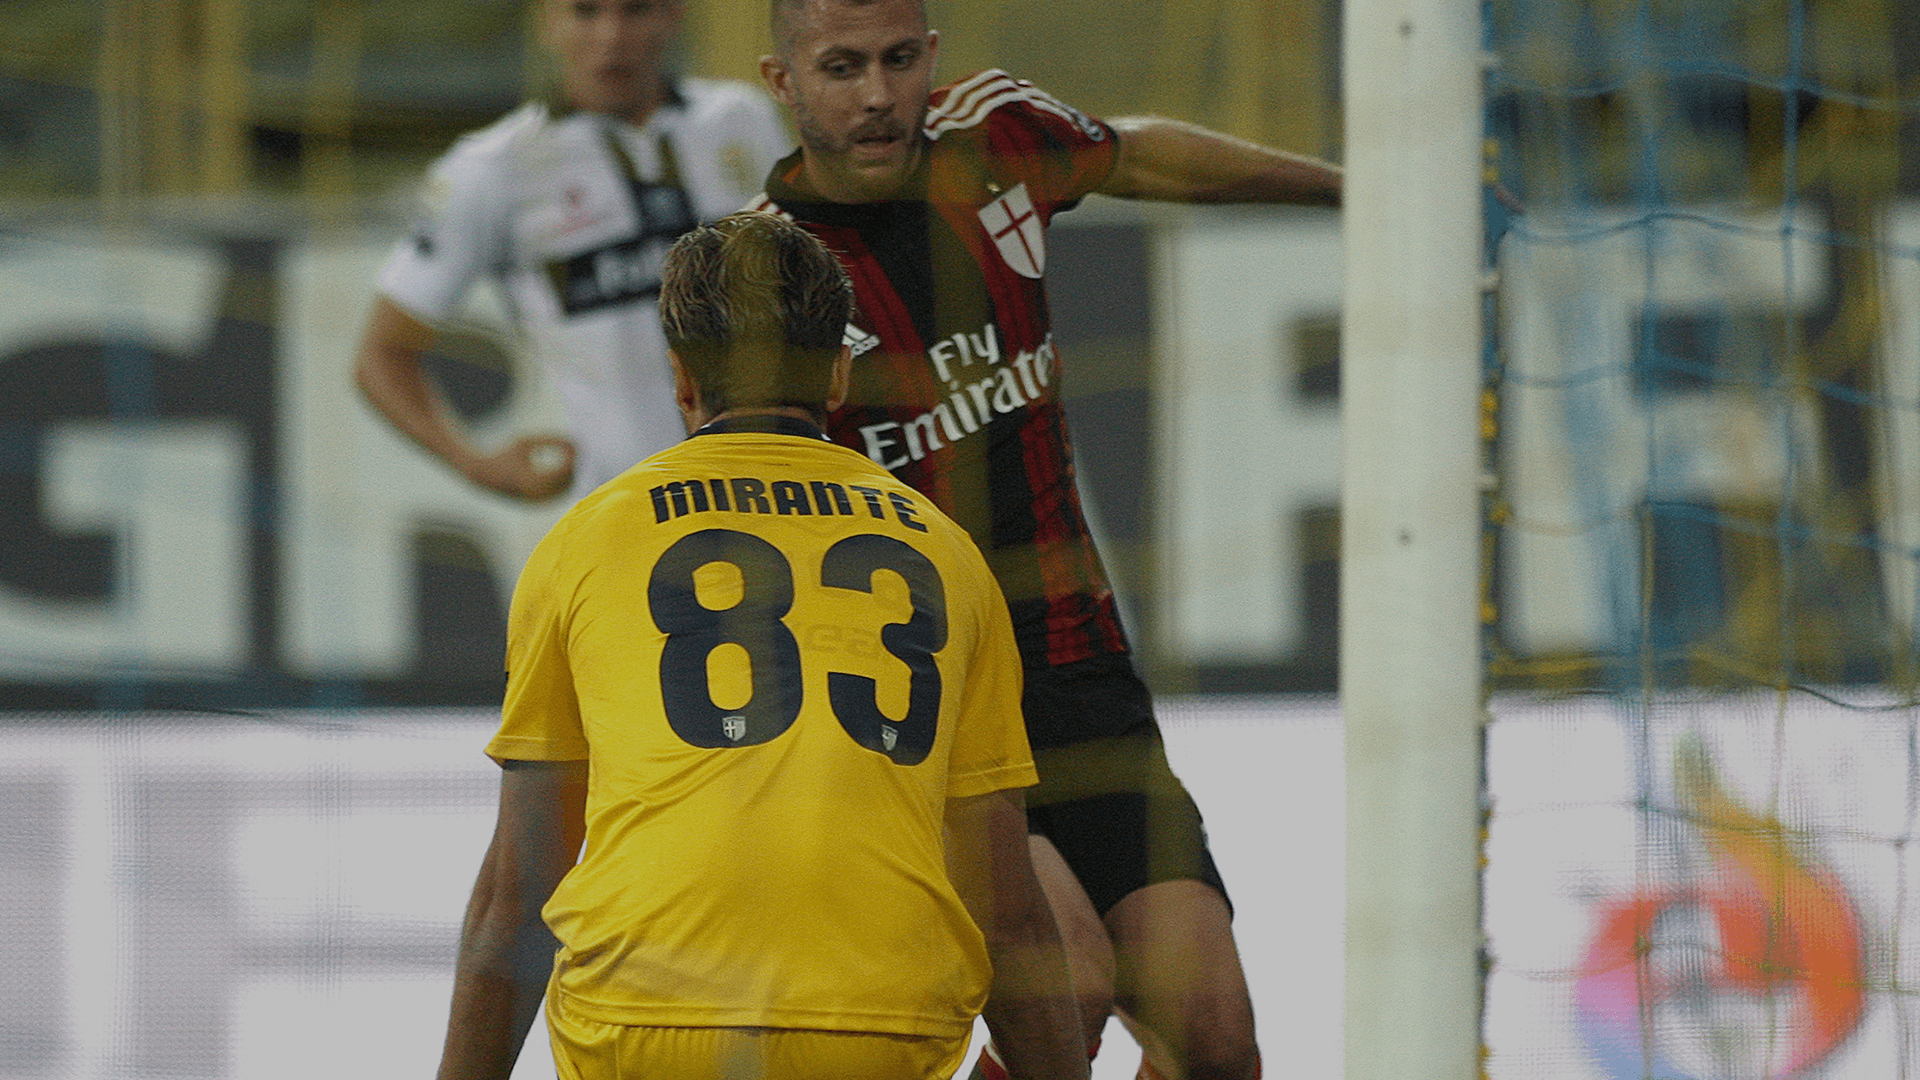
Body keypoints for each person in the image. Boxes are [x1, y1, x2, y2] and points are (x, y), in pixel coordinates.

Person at [750, 2, 1344, 1078]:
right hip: (924, 706)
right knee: (1066, 991)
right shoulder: (773, 277)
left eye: (898, 60)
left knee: (1217, 1044)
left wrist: (1355, 191)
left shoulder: (997, 138)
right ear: (781, 81)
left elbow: (1139, 154)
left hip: (1079, 670)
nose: (878, 95)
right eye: (841, 68)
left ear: (932, 55)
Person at [434, 211, 1089, 1080]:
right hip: (883, 1027)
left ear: (681, 377)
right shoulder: (946, 553)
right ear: (840, 371)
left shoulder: (586, 541)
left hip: (646, 1021)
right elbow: (1008, 912)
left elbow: (517, 896)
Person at [355, 0, 792, 502]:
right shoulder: (495, 167)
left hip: (774, 487)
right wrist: (474, 464)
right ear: (547, 21)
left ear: (673, 14)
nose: (612, 35)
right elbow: (381, 355)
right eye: (586, 12)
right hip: (618, 508)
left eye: (636, 10)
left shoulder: (741, 119)